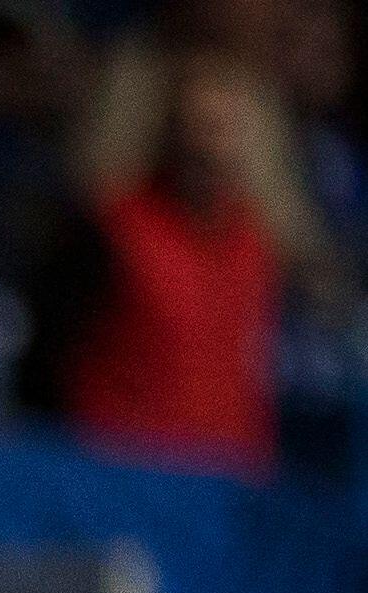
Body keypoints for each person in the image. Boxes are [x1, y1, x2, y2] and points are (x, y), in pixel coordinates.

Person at [43, 42, 289, 476]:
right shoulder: (112, 227)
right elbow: (49, 364)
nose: (209, 149)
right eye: (195, 128)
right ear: (167, 132)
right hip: (127, 482)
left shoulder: (259, 243)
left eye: (223, 129)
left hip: (231, 490)